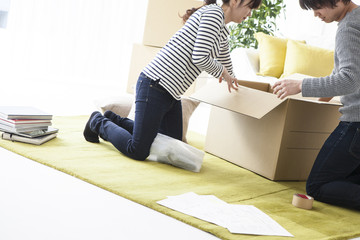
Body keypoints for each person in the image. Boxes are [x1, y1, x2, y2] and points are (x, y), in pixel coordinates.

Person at [83, 0, 261, 161]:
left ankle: (113, 119)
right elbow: (199, 56)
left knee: (173, 145)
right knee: (138, 150)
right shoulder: (213, 15)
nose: (250, 13)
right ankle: (98, 122)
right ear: (235, 1)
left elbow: (226, 63)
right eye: (249, 7)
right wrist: (222, 72)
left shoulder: (222, 30)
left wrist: (238, 85)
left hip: (171, 93)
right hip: (155, 84)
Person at [273, 0, 360, 210]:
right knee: (349, 177)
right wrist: (327, 92)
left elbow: (350, 78)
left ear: (338, 1)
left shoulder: (348, 27)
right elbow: (351, 66)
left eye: (317, 7)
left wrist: (301, 84)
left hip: (356, 124)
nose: (315, 14)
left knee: (317, 185)